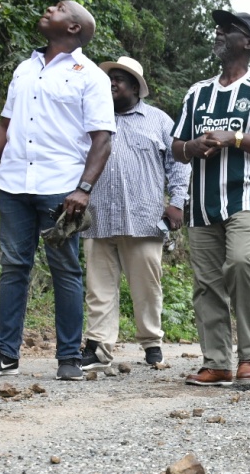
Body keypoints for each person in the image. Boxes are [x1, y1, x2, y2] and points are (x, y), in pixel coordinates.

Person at [0, 0, 114, 382]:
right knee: (13, 268)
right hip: (13, 183)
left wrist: (84, 189)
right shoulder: (25, 69)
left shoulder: (89, 75)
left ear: (73, 27)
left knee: (65, 270)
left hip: (60, 189)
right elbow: (4, 128)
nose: (48, 9)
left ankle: (68, 358)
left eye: (58, 8)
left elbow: (103, 139)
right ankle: (6, 354)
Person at [171, 10, 250, 386]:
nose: (219, 33)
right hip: (203, 200)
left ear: (249, 43)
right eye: (219, 28)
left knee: (240, 262)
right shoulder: (197, 92)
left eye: (229, 29)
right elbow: (177, 146)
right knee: (207, 282)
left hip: (249, 196)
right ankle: (218, 361)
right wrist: (193, 145)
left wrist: (235, 139)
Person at [80, 56, 189, 371]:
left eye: (120, 79)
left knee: (147, 287)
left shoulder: (158, 120)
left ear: (136, 88)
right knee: (98, 287)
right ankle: (98, 346)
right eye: (110, 78)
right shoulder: (94, 119)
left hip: (143, 217)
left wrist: (177, 202)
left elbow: (179, 164)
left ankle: (152, 343)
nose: (113, 83)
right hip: (97, 216)